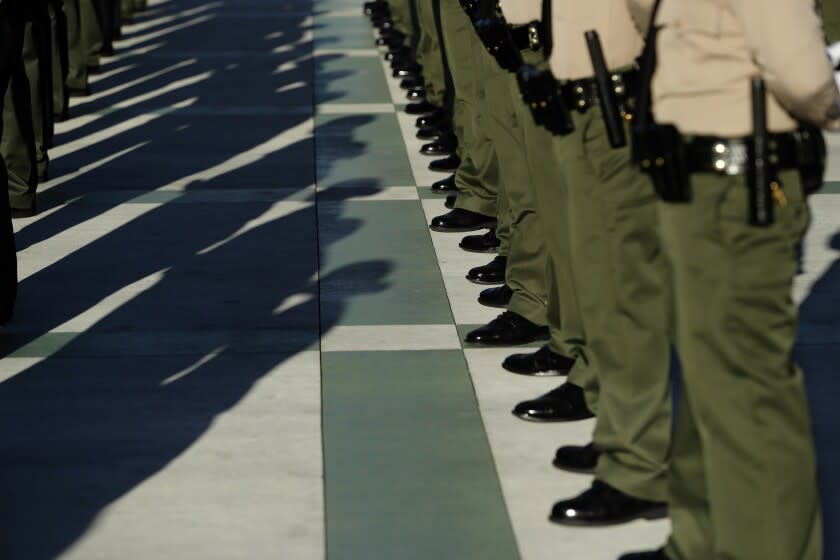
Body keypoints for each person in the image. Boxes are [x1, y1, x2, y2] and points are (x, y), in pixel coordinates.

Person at [620, 0, 840, 558]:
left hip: (739, 185)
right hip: (692, 177)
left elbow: (804, 76)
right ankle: (701, 542)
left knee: (745, 390)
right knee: (705, 380)